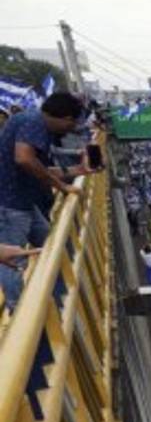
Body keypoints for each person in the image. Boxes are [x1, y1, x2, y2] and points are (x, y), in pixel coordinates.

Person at [0, 93, 90, 306]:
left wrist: (76, 170)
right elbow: (24, 159)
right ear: (67, 118)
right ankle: (20, 313)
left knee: (53, 245)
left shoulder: (31, 122)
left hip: (24, 203)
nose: (72, 130)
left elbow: (38, 168)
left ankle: (59, 299)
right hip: (11, 206)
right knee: (13, 260)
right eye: (73, 124)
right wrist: (62, 186)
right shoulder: (33, 122)